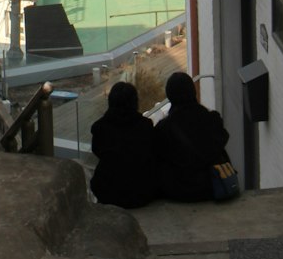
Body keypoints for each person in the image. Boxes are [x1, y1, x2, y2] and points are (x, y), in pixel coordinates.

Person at [153, 71, 230, 202]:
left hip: (177, 191)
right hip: (210, 186)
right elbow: (222, 139)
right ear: (192, 92)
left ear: (170, 95)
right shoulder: (211, 119)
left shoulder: (164, 128)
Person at [89, 80, 158, 209]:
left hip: (109, 194)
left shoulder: (99, 128)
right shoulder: (145, 126)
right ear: (134, 102)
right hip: (142, 193)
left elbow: (98, 152)